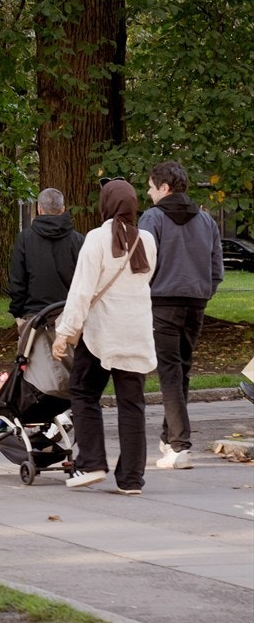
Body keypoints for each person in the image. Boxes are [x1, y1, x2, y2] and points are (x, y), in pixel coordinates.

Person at [54, 180, 157, 493]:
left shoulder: (96, 239)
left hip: (101, 333)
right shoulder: (148, 240)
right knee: (132, 405)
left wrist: (65, 332)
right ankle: (131, 479)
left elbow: (82, 290)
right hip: (136, 331)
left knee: (84, 393)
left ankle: (92, 463)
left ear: (107, 205)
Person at [139, 161, 224, 469]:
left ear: (164, 188)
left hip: (162, 301)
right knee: (181, 371)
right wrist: (205, 291)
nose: (148, 193)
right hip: (196, 301)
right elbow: (217, 267)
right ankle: (169, 438)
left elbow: (142, 263)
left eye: (151, 187)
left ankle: (180, 445)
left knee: (170, 373)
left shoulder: (152, 218)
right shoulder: (206, 220)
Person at [8, 188, 83, 324]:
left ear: (39, 209)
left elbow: (17, 280)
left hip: (34, 315)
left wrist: (17, 313)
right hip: (69, 315)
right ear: (63, 209)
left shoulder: (25, 239)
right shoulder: (78, 240)